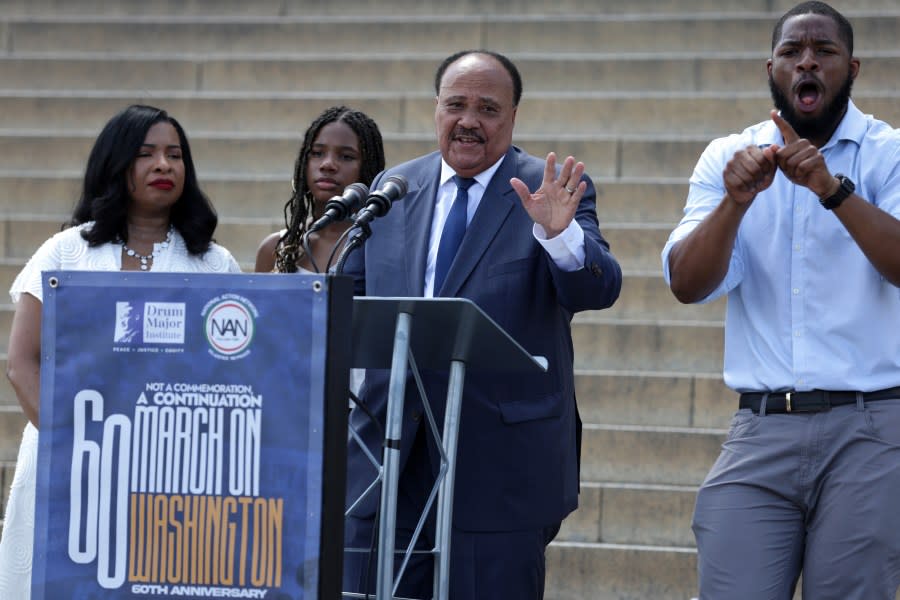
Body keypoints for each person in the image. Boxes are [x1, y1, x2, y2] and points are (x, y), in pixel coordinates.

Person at [342, 50, 622, 599]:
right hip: (388, 459)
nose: (469, 120)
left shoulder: (548, 191)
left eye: (488, 108)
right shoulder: (393, 188)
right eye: (456, 105)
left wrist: (559, 237)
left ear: (513, 116)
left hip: (500, 467)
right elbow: (345, 305)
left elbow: (598, 286)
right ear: (436, 109)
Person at [662, 3, 900, 598]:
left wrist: (831, 189)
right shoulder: (728, 157)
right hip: (761, 426)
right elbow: (686, 284)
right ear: (772, 67)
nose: (808, 62)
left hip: (871, 427)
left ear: (853, 67)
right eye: (793, 51)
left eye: (824, 51)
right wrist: (735, 202)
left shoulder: (887, 152)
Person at [0, 104, 242, 598]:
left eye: (175, 155)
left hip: (172, 473)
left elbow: (232, 372)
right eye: (146, 153)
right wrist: (78, 444)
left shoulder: (215, 263)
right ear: (115, 163)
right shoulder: (65, 252)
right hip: (68, 459)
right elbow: (21, 362)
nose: (164, 166)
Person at [254, 105, 385, 274]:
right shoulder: (275, 249)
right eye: (317, 153)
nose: (327, 164)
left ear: (368, 168)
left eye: (346, 156)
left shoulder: (380, 248)